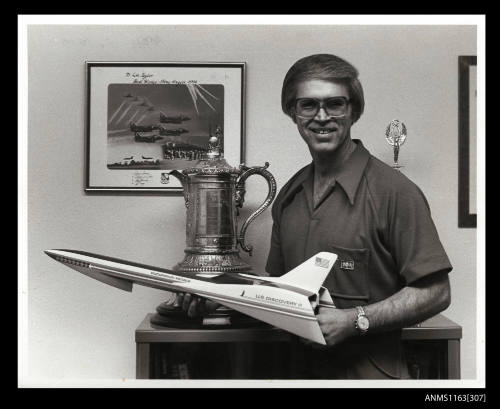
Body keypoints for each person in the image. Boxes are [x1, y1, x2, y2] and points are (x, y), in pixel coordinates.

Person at [177, 53, 453, 379]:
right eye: (308, 105)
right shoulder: (290, 195)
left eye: (335, 104)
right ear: (293, 113)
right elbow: (278, 295)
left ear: (353, 111)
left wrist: (356, 320)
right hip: (295, 374)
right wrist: (218, 298)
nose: (321, 117)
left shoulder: (395, 192)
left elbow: (437, 292)